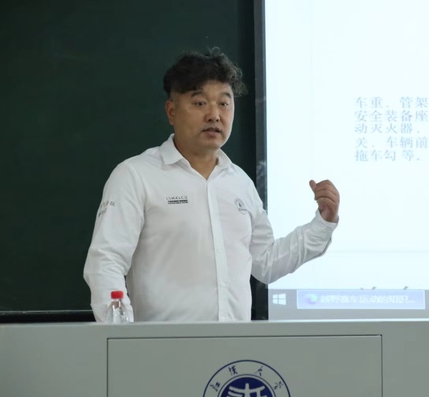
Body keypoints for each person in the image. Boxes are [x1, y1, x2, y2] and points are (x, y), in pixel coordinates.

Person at [83, 47, 340, 322]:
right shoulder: (136, 175)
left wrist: (322, 223)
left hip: (235, 346)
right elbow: (106, 261)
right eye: (200, 103)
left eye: (224, 103)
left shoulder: (239, 182)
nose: (214, 115)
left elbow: (266, 262)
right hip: (161, 345)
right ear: (171, 111)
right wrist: (122, 334)